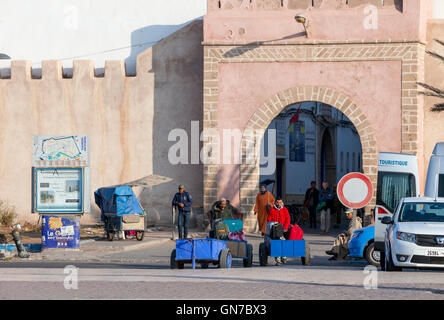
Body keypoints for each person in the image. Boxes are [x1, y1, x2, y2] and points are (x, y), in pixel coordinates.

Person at [267, 197, 291, 265]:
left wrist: (285, 228)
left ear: (282, 202)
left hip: (283, 230)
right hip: (275, 230)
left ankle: (283, 256)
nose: (279, 204)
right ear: (275, 202)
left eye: (280, 202)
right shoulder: (272, 210)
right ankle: (278, 259)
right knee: (276, 243)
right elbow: (269, 220)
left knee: (282, 241)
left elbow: (287, 219)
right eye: (277, 202)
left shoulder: (285, 210)